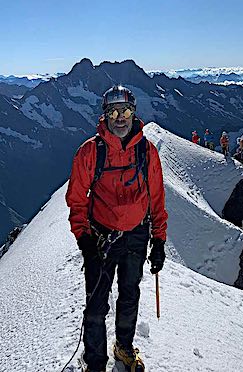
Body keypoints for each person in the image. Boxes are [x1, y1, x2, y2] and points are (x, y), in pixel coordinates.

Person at [65, 86, 167, 371]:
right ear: (105, 115)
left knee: (129, 294)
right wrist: (85, 241)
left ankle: (123, 347)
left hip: (136, 235)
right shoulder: (90, 153)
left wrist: (158, 240)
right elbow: (76, 200)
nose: (119, 118)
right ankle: (95, 363)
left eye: (125, 111)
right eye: (113, 111)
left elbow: (157, 199)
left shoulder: (147, 153)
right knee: (96, 305)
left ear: (134, 113)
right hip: (100, 238)